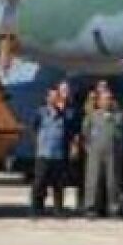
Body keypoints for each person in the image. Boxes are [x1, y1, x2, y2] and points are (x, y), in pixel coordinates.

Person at [29, 87, 70, 218]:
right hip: (44, 154)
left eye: (56, 96)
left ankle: (58, 210)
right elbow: (33, 129)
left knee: (58, 184)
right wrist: (38, 144)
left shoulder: (63, 114)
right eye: (51, 96)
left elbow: (68, 132)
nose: (54, 99)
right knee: (39, 183)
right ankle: (36, 209)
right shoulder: (40, 113)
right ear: (47, 98)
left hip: (58, 155)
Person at [81, 92, 122, 219]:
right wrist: (89, 147)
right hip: (95, 152)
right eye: (104, 99)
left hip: (112, 152)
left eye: (109, 99)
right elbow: (85, 132)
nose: (107, 101)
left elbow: (120, 134)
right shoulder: (92, 116)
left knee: (112, 180)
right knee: (93, 180)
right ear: (99, 102)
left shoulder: (117, 117)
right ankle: (90, 208)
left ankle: (113, 208)